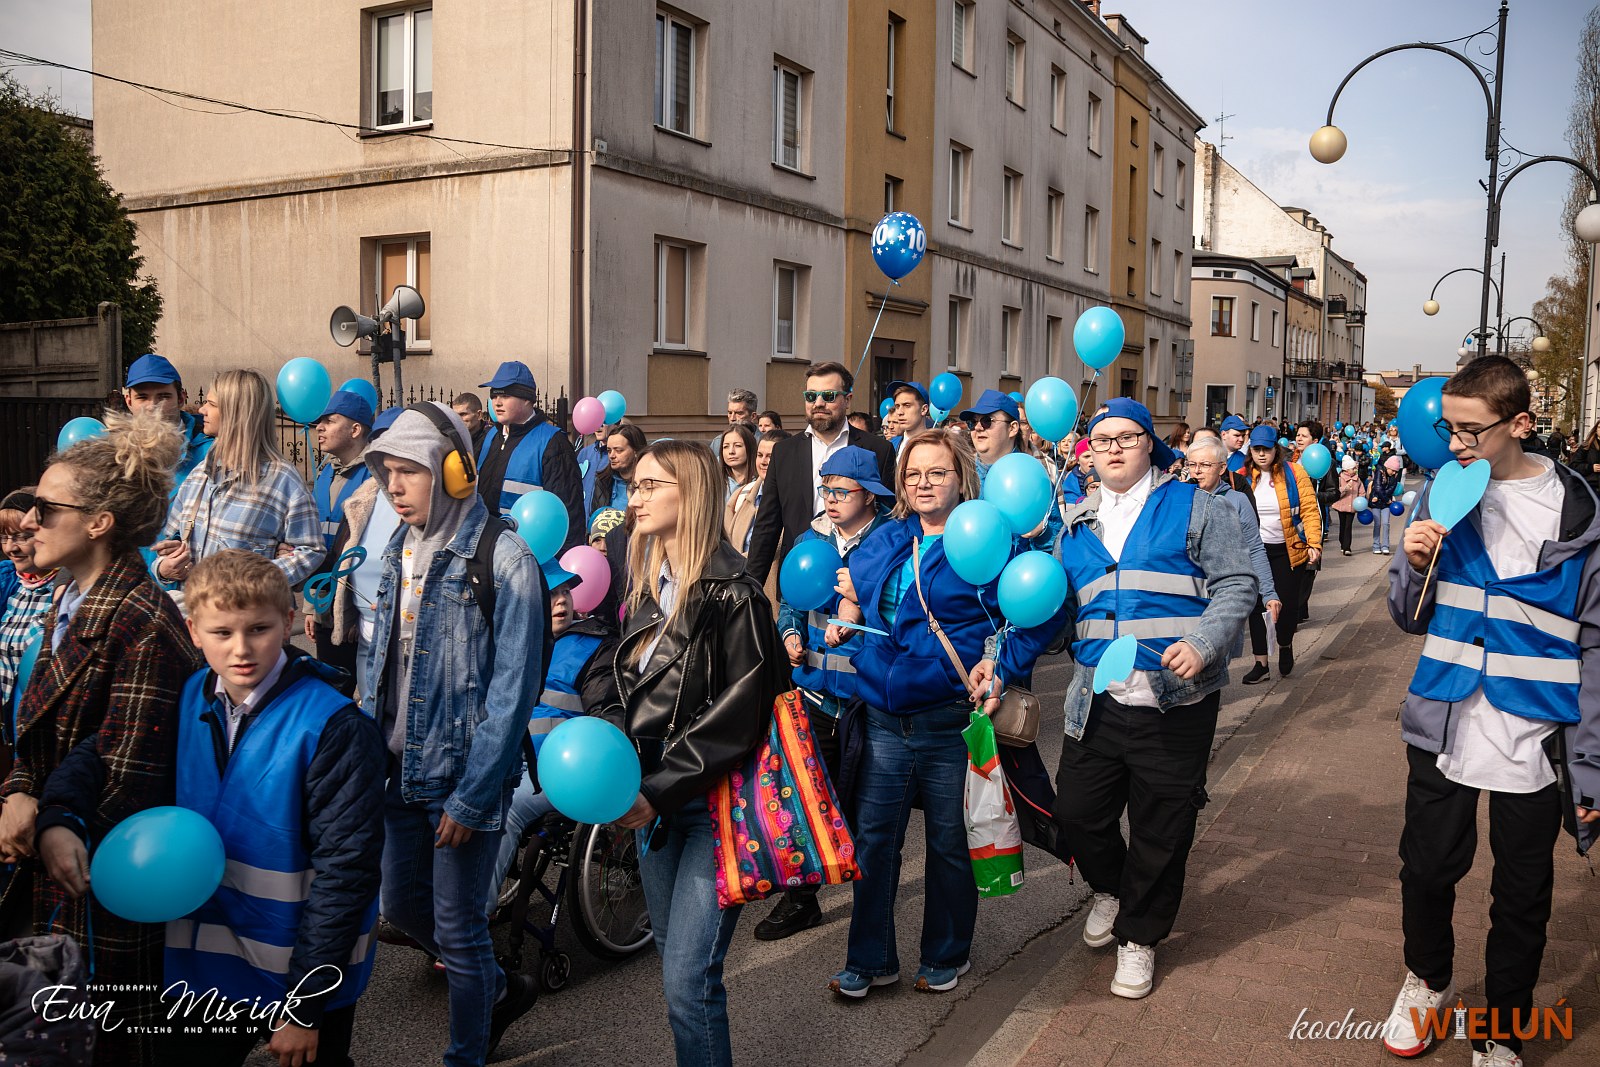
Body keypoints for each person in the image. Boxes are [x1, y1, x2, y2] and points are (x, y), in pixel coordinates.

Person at [40, 550, 384, 1067]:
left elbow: (347, 870)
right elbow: (103, 751)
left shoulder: (335, 726)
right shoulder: (185, 697)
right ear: (193, 631)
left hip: (299, 966)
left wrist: (305, 1005)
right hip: (204, 966)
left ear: (288, 620)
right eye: (221, 633)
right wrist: (59, 814)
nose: (241, 649)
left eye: (259, 629)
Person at [1382, 355, 1600, 1066]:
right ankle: (1428, 980)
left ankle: (1502, 1026)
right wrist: (1413, 563)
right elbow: (1406, 615)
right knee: (1425, 870)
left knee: (1522, 892)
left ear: (1520, 423)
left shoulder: (1579, 513)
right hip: (1444, 718)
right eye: (1448, 428)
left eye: (1470, 430)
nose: (1454, 444)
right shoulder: (1442, 493)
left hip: (1534, 730)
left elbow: (1596, 644)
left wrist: (1592, 763)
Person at [828, 427, 1068, 998]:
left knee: (948, 843)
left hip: (948, 719)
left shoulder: (988, 535)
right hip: (883, 717)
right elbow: (857, 596)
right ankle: (870, 959)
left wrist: (1000, 663)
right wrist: (847, 609)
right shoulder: (886, 538)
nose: (924, 483)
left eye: (937, 472)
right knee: (874, 844)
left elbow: (1043, 611)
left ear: (961, 478)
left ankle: (945, 953)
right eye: (913, 474)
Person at [1, 414, 202, 1066]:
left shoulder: (142, 618)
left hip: (103, 878)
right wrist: (19, 790)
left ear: (98, 522)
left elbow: (130, 768)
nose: (28, 520)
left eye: (45, 508)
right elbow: (32, 733)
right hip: (52, 861)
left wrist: (53, 819)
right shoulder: (70, 598)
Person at [1052, 399, 1255, 1001]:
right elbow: (1059, 615)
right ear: (1089, 452)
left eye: (1127, 437)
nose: (1113, 448)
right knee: (1077, 814)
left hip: (1175, 702)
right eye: (1101, 439)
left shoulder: (1198, 507)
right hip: (1096, 702)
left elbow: (1237, 583)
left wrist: (1204, 643)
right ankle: (1114, 890)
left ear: (1150, 444)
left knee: (1161, 829)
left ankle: (1139, 937)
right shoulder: (1074, 525)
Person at [362, 403, 547, 1065]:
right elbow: (381, 664)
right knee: (402, 907)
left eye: (409, 470)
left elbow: (513, 692)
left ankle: (466, 1052)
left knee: (460, 930)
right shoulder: (397, 546)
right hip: (395, 771)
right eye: (386, 471)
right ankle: (500, 988)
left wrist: (473, 796)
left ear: (452, 471)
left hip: (462, 776)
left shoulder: (506, 558)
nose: (394, 486)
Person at [606, 441, 789, 1067]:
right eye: (633, 486)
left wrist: (657, 789)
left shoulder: (736, 593)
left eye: (650, 485)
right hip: (650, 805)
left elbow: (739, 719)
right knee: (675, 969)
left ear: (693, 494)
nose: (635, 498)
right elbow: (621, 681)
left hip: (714, 807)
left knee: (689, 980)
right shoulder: (647, 581)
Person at [757, 446, 893, 941]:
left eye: (841, 491)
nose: (830, 499)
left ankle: (871, 909)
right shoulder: (809, 538)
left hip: (867, 703)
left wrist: (859, 612)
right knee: (804, 799)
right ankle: (801, 900)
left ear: (870, 495)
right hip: (813, 696)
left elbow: (900, 612)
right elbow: (793, 601)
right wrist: (791, 634)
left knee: (865, 810)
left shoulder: (892, 541)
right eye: (826, 490)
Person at [486, 559, 618, 916]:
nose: (562, 600)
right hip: (506, 758)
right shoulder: (509, 641)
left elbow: (606, 715)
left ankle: (469, 922)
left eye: (565, 592)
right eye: (550, 593)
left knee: (503, 809)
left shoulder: (594, 647)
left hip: (558, 770)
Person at [151, 369, 324, 601]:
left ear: (236, 413)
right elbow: (169, 543)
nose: (202, 410)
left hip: (249, 619)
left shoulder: (282, 480)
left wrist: (257, 580)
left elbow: (311, 551)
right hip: (195, 617)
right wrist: (164, 568)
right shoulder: (199, 475)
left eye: (211, 404)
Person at [745, 362, 896, 585]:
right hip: (800, 577)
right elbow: (767, 526)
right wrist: (751, 586)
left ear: (848, 400)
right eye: (811, 396)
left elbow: (888, 519)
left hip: (858, 580)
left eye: (828, 395)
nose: (818, 403)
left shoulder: (878, 450)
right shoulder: (784, 452)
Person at [1187, 437, 1281, 669]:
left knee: (1214, 662)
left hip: (1222, 596)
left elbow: (1255, 548)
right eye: (1192, 464)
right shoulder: (1182, 499)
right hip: (1189, 595)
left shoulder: (1237, 501)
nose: (1197, 471)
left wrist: (1269, 593)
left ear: (1221, 468)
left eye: (1205, 465)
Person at [475, 360, 586, 554]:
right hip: (485, 552)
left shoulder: (553, 443)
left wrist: (561, 566)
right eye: (494, 395)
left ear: (527, 399)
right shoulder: (489, 437)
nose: (497, 402)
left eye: (505, 395)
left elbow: (569, 514)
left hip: (529, 556)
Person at [1243, 424, 1321, 679]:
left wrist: (1314, 543)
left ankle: (1285, 644)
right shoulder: (1242, 476)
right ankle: (1261, 664)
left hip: (1288, 551)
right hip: (1255, 550)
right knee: (1257, 606)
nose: (1261, 454)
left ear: (1276, 449)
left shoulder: (1294, 472)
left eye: (1266, 449)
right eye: (1256, 449)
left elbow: (1309, 510)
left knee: (1286, 607)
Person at [0, 490, 56, 732]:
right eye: (3, 537)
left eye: (22, 536)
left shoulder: (69, 590)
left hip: (43, 728)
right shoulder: (9, 584)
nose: (10, 548)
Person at [122, 352, 213, 493]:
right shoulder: (116, 454)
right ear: (129, 402)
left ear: (181, 399)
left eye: (163, 396)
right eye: (142, 397)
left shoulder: (211, 451)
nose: (152, 406)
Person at [589, 424, 646, 519]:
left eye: (618, 450)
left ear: (636, 451)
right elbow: (594, 519)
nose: (612, 455)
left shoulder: (648, 483)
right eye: (609, 451)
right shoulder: (602, 481)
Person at [1368, 454, 1403, 556]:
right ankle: (1376, 545)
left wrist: (1385, 499)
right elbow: (1377, 487)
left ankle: (1385, 546)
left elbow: (1390, 490)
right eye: (1393, 470)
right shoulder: (1379, 472)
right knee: (1377, 524)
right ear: (1388, 467)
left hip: (1386, 502)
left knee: (1386, 523)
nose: (1394, 473)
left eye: (1396, 471)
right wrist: (1384, 498)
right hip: (1376, 502)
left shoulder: (1394, 477)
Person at [885, 380, 932, 453]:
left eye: (907, 405)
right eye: (897, 406)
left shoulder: (937, 446)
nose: (900, 412)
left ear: (924, 409)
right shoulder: (890, 445)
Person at [1332, 454, 1362, 556]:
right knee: (1343, 525)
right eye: (1353, 468)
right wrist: (1345, 489)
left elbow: (1362, 491)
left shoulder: (1357, 479)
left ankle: (1347, 547)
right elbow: (1336, 493)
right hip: (1341, 506)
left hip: (1352, 507)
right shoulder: (1340, 478)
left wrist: (1360, 500)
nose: (1355, 470)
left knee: (1348, 526)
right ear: (1346, 470)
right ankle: (1342, 542)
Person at [1570, 420, 1600, 495]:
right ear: (1596, 430)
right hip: (1591, 488)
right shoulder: (1587, 446)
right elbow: (1574, 465)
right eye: (1599, 427)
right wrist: (1591, 467)